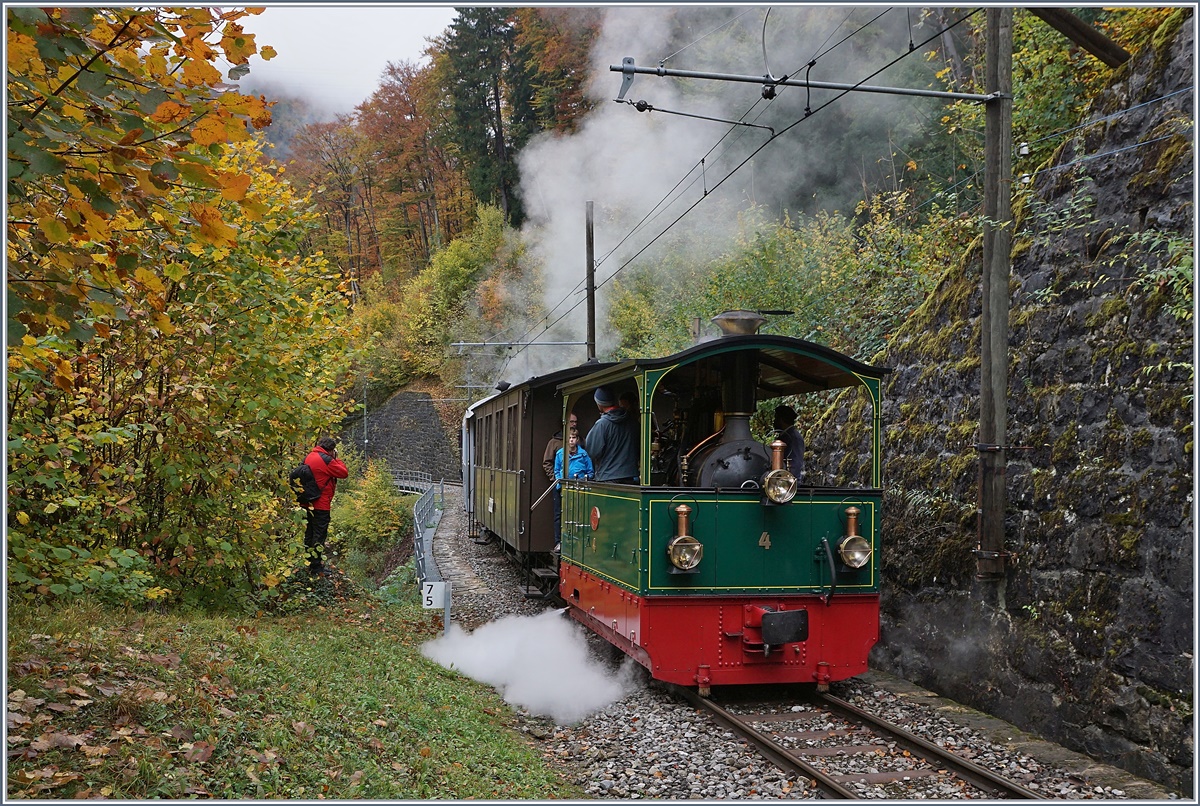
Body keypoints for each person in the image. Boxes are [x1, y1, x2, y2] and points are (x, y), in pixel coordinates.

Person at [302, 436, 349, 576]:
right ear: (330, 449)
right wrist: (336, 458)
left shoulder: (309, 457)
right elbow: (343, 473)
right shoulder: (326, 460)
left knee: (309, 533)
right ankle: (316, 568)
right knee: (319, 535)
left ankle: (309, 562)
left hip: (308, 502)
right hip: (320, 504)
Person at [585, 386, 639, 484]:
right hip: (630, 477)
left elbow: (592, 451)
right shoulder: (632, 422)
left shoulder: (602, 424)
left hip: (608, 477)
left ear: (599, 404)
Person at [552, 431, 593, 552]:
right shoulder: (560, 454)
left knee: (579, 515)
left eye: (573, 438)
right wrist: (561, 482)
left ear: (577, 440)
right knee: (559, 515)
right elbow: (557, 470)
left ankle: (578, 540)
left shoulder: (584, 455)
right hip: (562, 487)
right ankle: (559, 541)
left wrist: (582, 480)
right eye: (569, 438)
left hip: (578, 488)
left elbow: (590, 471)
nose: (571, 440)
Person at [543, 412, 577, 548]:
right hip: (560, 485)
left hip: (577, 484)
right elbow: (547, 462)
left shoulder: (579, 440)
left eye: (576, 422)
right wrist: (555, 478)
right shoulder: (554, 443)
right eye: (572, 421)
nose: (574, 424)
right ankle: (559, 541)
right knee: (559, 514)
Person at [773, 405, 805, 479]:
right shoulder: (786, 436)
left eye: (776, 418)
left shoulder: (793, 438)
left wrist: (788, 481)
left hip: (788, 483)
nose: (774, 421)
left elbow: (795, 463)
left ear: (781, 419)